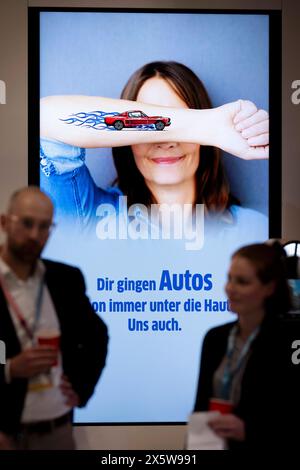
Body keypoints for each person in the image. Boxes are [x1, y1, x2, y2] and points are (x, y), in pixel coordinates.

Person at [40, 61, 268, 237]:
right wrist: (198, 124)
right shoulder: (91, 216)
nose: (166, 142)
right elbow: (44, 118)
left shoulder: (252, 230)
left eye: (181, 122)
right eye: (147, 128)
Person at [0, 187, 108, 450]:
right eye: (26, 224)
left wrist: (82, 388)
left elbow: (97, 335)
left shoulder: (65, 279)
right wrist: (8, 368)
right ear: (4, 222)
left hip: (57, 431)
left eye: (44, 226)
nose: (34, 235)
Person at [193, 243, 299, 449]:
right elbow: (201, 409)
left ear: (269, 287)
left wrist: (249, 431)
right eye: (229, 278)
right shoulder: (215, 338)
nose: (230, 289)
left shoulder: (288, 341)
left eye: (242, 282)